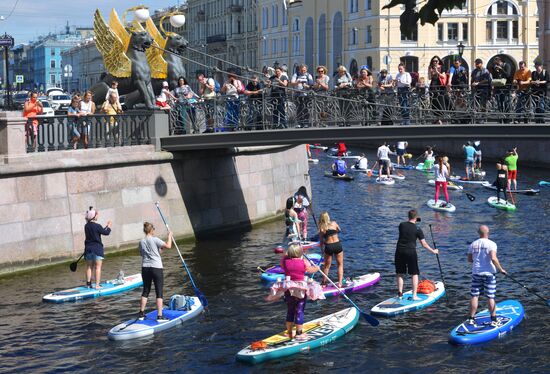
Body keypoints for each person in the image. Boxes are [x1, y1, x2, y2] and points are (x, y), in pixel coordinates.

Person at [467, 225, 507, 327]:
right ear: (488, 233)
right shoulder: (492, 244)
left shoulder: (473, 244)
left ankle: (471, 318)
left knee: (474, 295)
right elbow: (493, 258)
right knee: (490, 296)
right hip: (489, 274)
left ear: (478, 233)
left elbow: (470, 260)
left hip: (476, 273)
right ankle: (493, 319)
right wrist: (501, 269)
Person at [395, 210, 439, 300]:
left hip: (399, 251)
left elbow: (409, 226)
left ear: (408, 216)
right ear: (416, 218)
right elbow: (424, 244)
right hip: (410, 252)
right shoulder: (418, 229)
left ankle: (400, 294)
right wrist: (433, 251)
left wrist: (414, 220)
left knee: (400, 273)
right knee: (414, 274)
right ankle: (414, 296)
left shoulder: (401, 225)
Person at [279, 243, 320, 339]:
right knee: (299, 310)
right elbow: (310, 270)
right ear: (300, 253)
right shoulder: (304, 262)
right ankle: (299, 333)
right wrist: (317, 268)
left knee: (290, 310)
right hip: (300, 289)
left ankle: (289, 332)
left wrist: (287, 255)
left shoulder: (285, 261)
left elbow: (283, 262)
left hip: (289, 288)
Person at [138, 222, 173, 321]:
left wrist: (158, 251)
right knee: (159, 291)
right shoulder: (155, 239)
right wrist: (170, 236)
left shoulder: (141, 242)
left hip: (145, 268)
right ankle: (160, 316)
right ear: (151, 230)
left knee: (146, 290)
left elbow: (142, 254)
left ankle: (141, 313)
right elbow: (169, 246)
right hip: (156, 267)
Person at [84, 207, 112, 289]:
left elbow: (100, 231)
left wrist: (106, 226)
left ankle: (88, 284)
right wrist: (109, 226)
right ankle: (97, 285)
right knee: (98, 267)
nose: (98, 216)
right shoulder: (97, 226)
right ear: (94, 216)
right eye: (97, 215)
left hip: (88, 249)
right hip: (97, 249)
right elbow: (106, 232)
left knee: (89, 267)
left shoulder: (86, 226)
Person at [318, 211, 344, 287]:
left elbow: (321, 242)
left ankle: (324, 283)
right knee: (340, 265)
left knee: (326, 266)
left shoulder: (322, 228)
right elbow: (339, 230)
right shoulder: (334, 223)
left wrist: (322, 251)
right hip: (337, 245)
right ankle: (340, 283)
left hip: (329, 246)